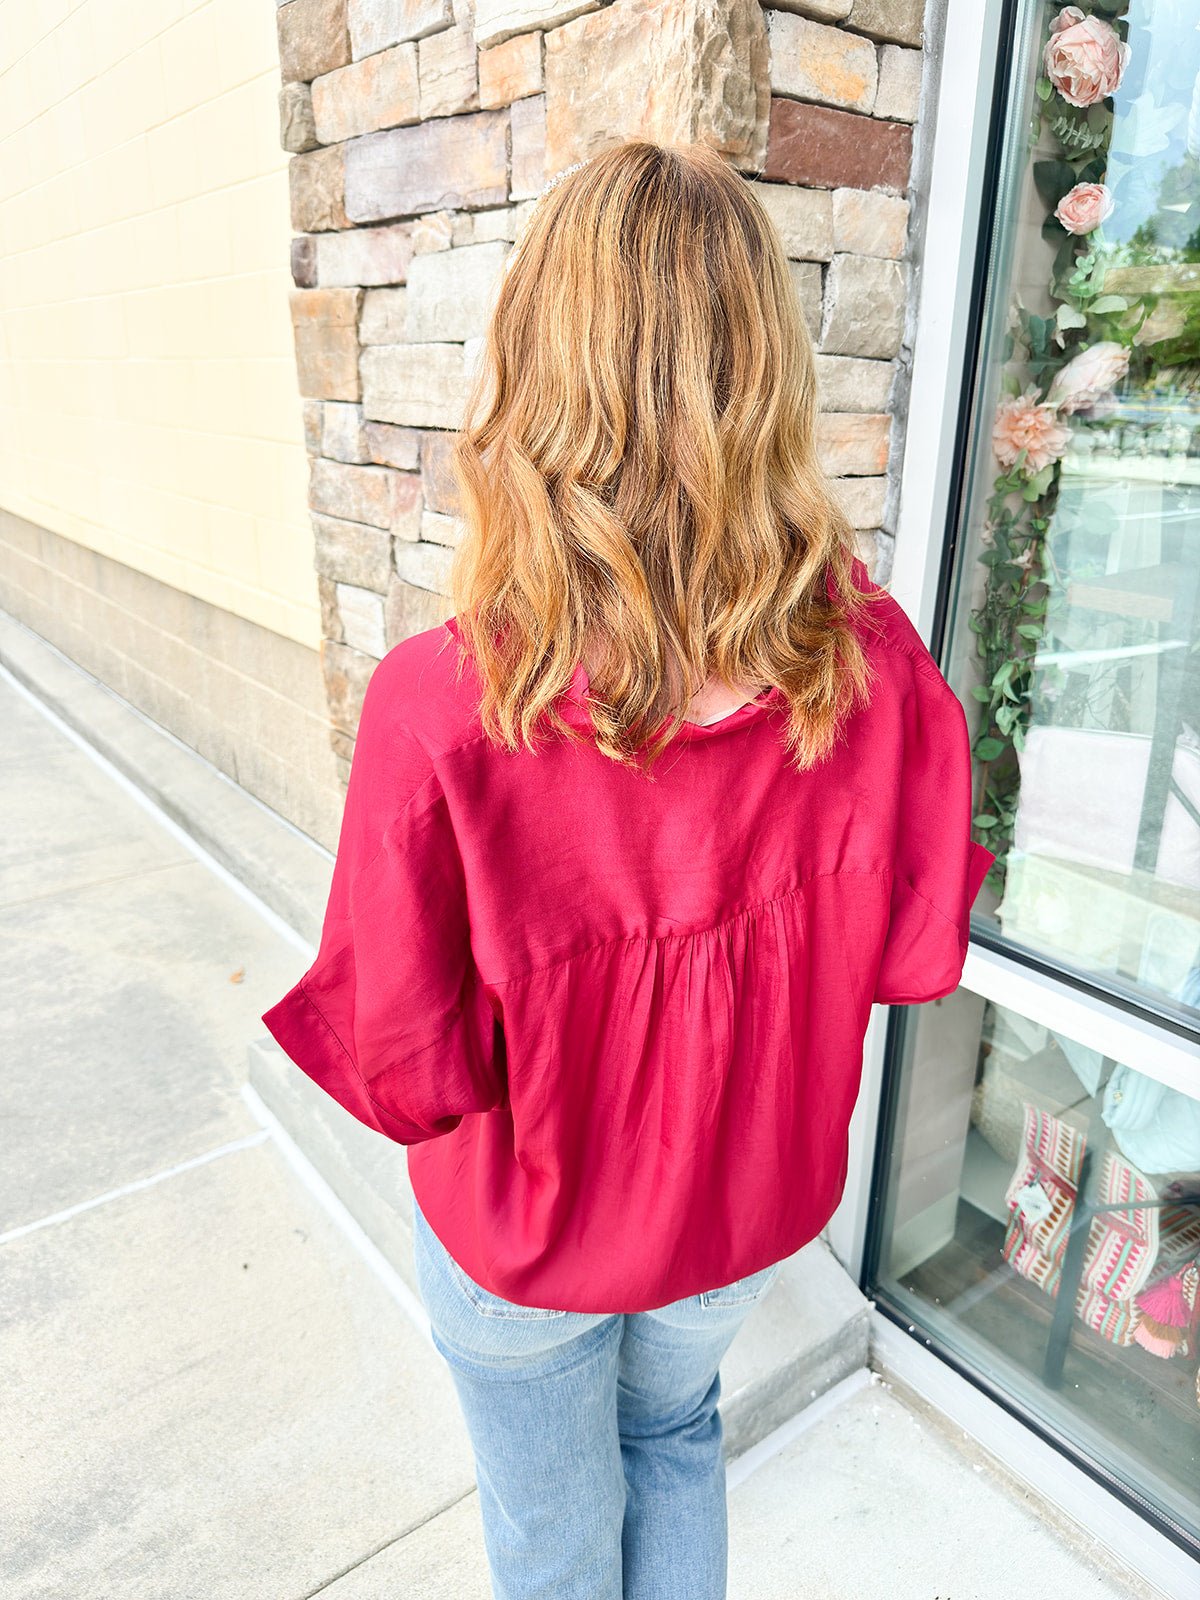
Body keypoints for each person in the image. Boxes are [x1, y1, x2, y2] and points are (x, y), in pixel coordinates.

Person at [261, 139, 995, 1600]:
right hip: (738, 1213)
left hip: (530, 1242)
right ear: (767, 380)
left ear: (538, 374)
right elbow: (913, 951)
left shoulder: (447, 708)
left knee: (553, 1541)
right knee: (674, 1433)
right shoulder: (871, 669)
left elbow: (409, 1068)